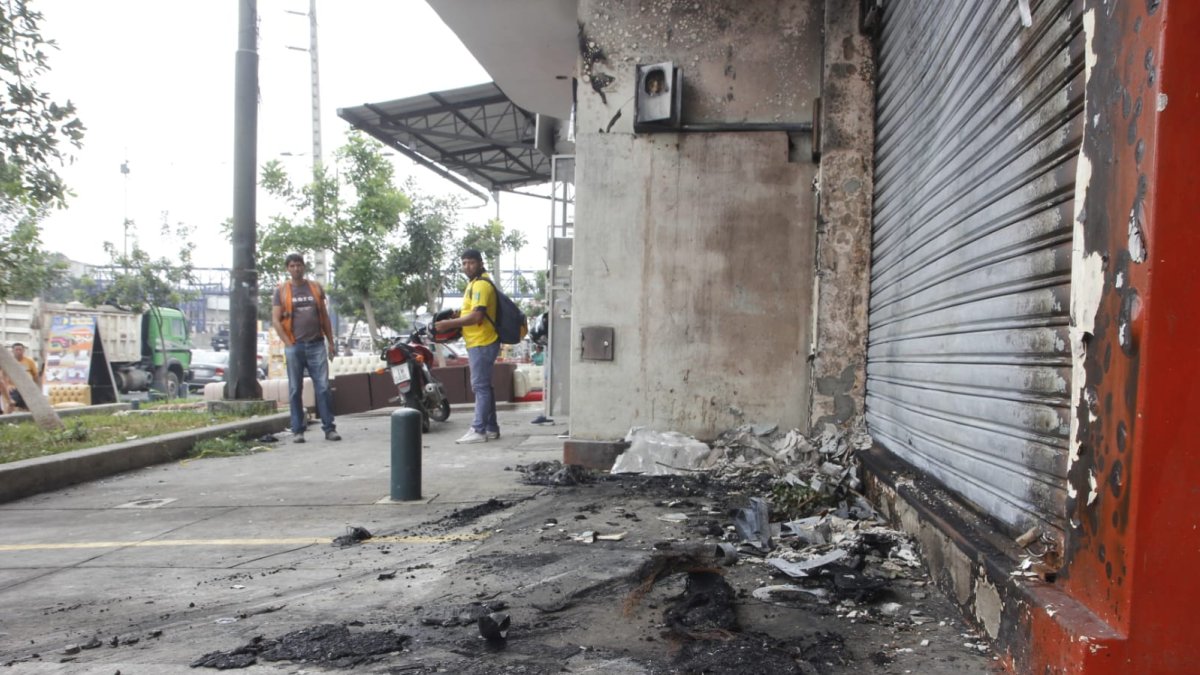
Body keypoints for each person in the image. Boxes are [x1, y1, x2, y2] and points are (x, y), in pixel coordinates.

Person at [271, 253, 341, 443]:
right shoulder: (281, 290)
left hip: (316, 344)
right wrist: (288, 342)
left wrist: (331, 342)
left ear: (304, 266)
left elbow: (324, 316)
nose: (296, 269)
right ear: (288, 268)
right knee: (295, 389)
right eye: (292, 266)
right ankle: (298, 430)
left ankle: (329, 428)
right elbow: (276, 320)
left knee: (323, 387)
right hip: (295, 346)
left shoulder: (315, 287)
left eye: (299, 265)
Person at [434, 249, 500, 444]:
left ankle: (478, 430)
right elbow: (472, 312)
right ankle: (491, 428)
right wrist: (458, 316)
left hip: (482, 341)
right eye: (464, 263)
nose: (467, 267)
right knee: (484, 386)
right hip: (478, 341)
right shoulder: (474, 283)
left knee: (480, 387)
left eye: (471, 262)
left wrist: (448, 324)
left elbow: (477, 316)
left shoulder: (481, 284)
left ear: (480, 263)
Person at [2, 342, 41, 413]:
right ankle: (6, 418)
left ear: (23, 351)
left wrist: (37, 387)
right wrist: (7, 386)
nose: (18, 352)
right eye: (16, 350)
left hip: (28, 388)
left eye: (20, 350)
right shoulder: (8, 362)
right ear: (12, 351)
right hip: (14, 388)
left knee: (31, 405)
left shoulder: (30, 361)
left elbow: (35, 375)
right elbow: (3, 376)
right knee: (11, 404)